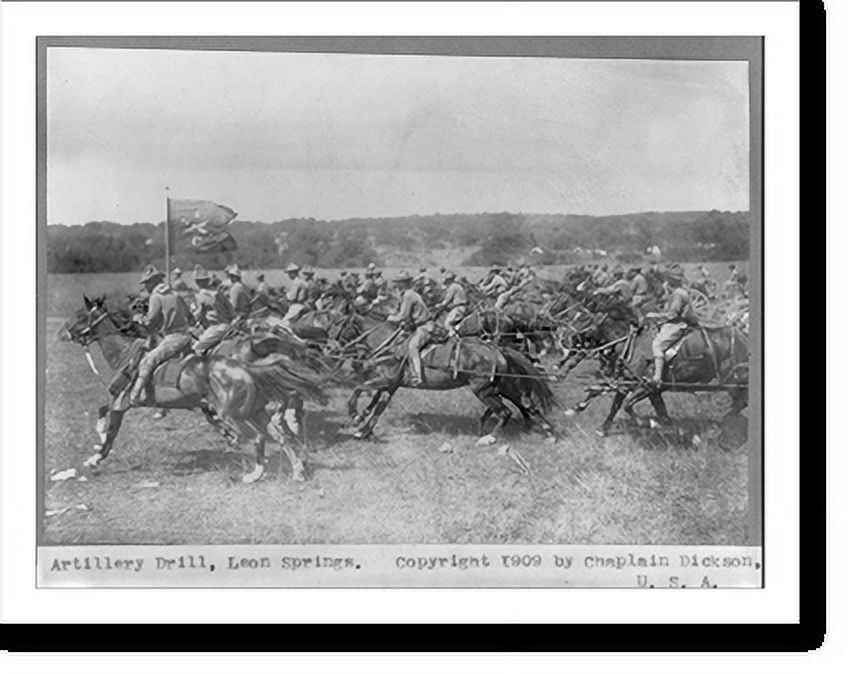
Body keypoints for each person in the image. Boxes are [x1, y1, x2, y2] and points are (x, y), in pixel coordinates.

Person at [128, 265, 193, 405]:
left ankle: (135, 395)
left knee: (148, 360)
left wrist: (138, 317)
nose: (146, 286)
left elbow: (151, 322)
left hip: (172, 338)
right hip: (186, 335)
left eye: (147, 283)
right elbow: (189, 314)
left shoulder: (156, 297)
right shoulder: (175, 294)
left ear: (154, 282)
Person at [645, 264, 698, 386]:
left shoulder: (678, 294)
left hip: (677, 324)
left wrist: (655, 316)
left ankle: (657, 377)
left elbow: (673, 315)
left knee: (657, 345)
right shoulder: (678, 292)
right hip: (676, 323)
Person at [386, 270, 434, 387]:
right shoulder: (410, 294)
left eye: (399, 282)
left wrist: (391, 318)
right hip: (418, 325)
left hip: (424, 327)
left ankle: (417, 377)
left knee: (413, 347)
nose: (397, 285)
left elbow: (404, 315)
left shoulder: (409, 295)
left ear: (404, 283)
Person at [435, 270, 468, 336]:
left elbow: (447, 300)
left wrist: (440, 305)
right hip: (461, 307)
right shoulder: (457, 285)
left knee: (447, 324)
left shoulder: (453, 287)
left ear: (449, 280)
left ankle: (453, 339)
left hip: (458, 308)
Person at [280, 262, 309, 327]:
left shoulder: (296, 283)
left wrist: (285, 295)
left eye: (289, 273)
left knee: (282, 325)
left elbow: (292, 297)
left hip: (296, 307)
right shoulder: (303, 282)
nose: (288, 276)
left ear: (293, 273)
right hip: (303, 305)